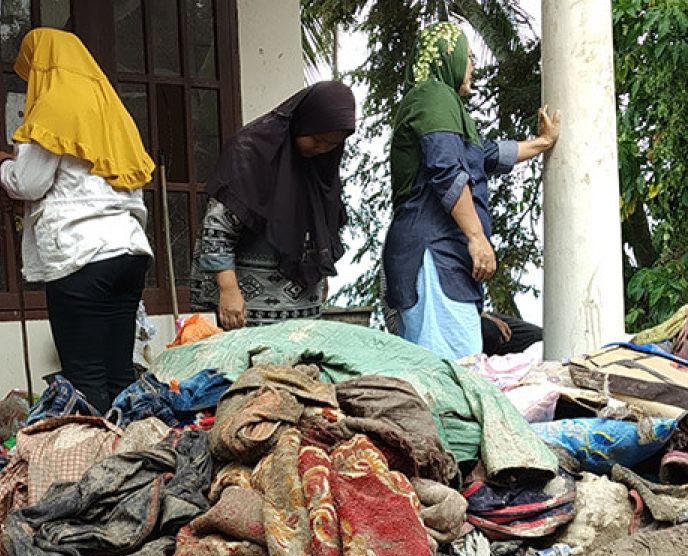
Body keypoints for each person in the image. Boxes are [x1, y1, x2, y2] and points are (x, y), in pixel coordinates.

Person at [0, 28, 154, 413]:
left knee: (85, 378)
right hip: (128, 251)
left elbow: (29, 183)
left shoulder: (53, 108)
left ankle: (98, 465)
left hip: (80, 255)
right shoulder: (114, 110)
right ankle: (136, 456)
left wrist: (4, 166)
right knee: (119, 373)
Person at [384, 22, 560, 359]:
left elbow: (484, 155)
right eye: (468, 58)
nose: (472, 67)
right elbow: (447, 170)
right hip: (432, 252)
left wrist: (542, 143)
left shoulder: (444, 105)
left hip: (443, 256)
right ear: (448, 57)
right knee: (452, 374)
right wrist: (477, 237)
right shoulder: (433, 96)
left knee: (454, 369)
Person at [190, 81, 357, 329]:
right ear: (304, 122)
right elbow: (217, 230)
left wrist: (320, 273)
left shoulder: (321, 166)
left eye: (332, 144)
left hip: (300, 316)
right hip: (242, 310)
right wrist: (228, 290)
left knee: (298, 369)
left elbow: (325, 226)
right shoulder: (251, 153)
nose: (322, 149)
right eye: (318, 139)